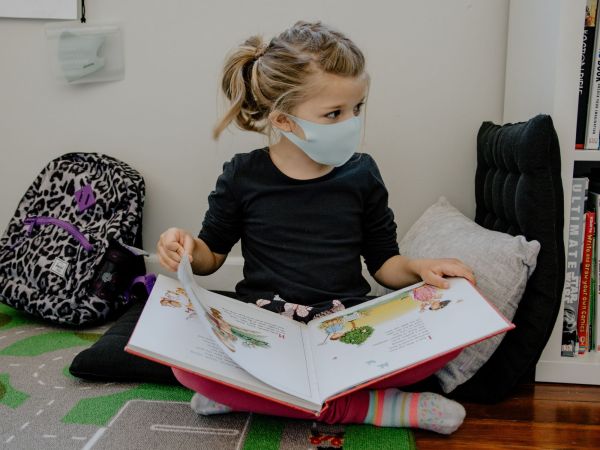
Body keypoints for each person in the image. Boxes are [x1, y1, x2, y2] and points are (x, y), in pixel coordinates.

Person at [157, 21, 476, 435]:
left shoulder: (362, 174)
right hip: (267, 329)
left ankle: (251, 397)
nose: (352, 122)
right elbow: (210, 257)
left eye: (356, 109)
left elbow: (384, 263)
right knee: (184, 369)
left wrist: (419, 269)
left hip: (345, 328)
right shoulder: (242, 175)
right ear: (284, 121)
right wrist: (182, 245)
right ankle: (375, 408)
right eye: (334, 114)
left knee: (448, 335)